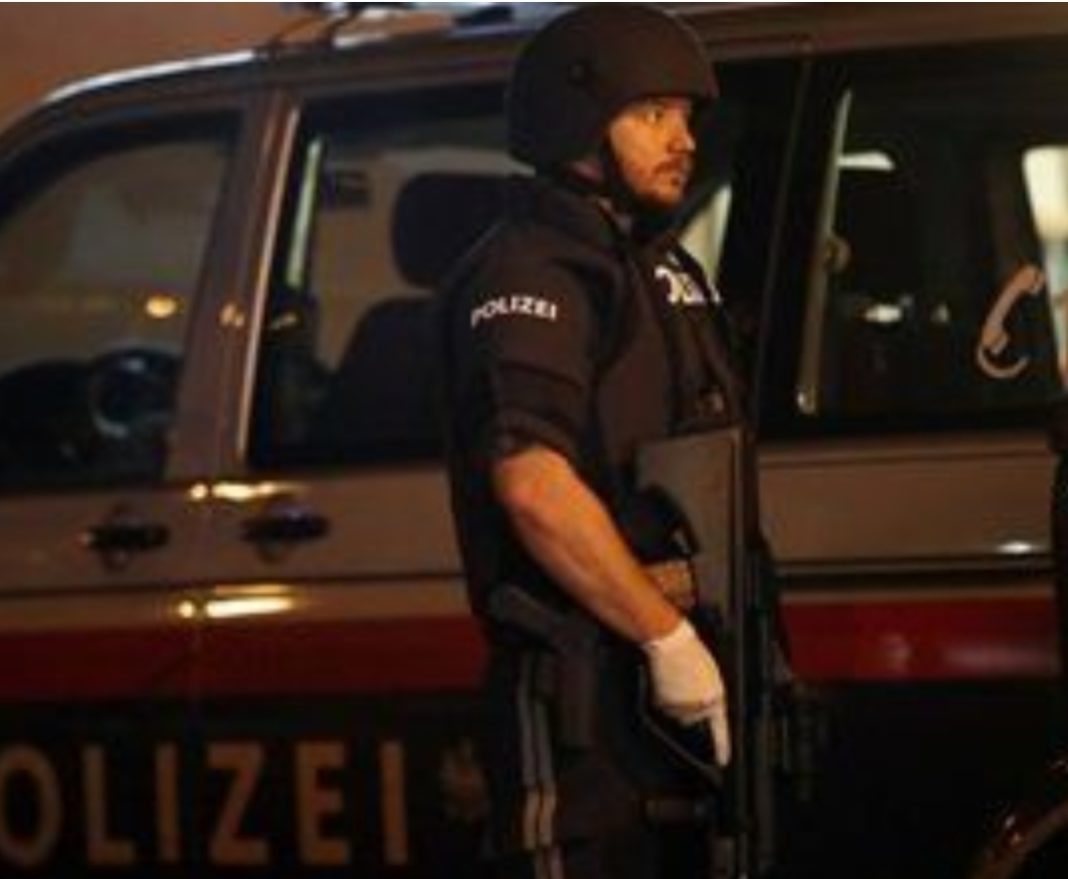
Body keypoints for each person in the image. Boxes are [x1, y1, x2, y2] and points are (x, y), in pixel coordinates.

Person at [438, 6, 746, 877]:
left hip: (667, 695)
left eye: (686, 116)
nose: (683, 139)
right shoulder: (535, 268)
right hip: (586, 691)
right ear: (576, 123)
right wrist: (666, 639)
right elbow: (533, 482)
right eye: (653, 114)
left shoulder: (659, 265)